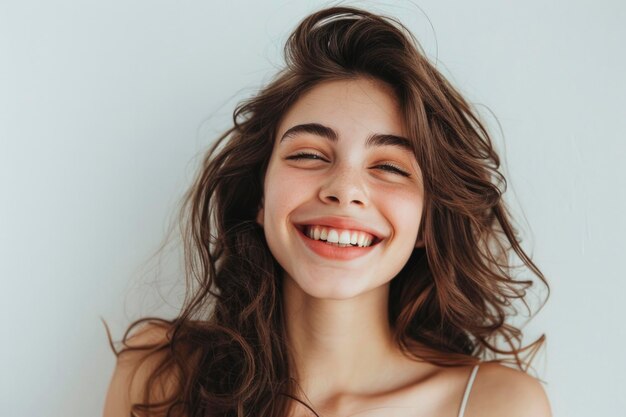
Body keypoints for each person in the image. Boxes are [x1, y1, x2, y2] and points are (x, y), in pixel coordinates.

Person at [102, 6, 551, 417]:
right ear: (259, 195)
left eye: (391, 167)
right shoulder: (158, 374)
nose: (345, 190)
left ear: (427, 223)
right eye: (309, 155)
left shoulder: (498, 406)